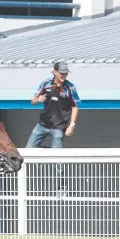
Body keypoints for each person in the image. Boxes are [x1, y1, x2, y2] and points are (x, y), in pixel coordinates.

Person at [26, 61, 80, 197]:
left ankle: (62, 187)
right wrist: (38, 99)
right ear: (54, 72)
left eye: (65, 73)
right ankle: (47, 153)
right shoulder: (46, 83)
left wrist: (71, 125)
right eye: (61, 73)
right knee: (27, 152)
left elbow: (75, 107)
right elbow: (32, 101)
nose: (63, 76)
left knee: (58, 159)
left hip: (59, 127)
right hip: (42, 125)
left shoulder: (70, 88)